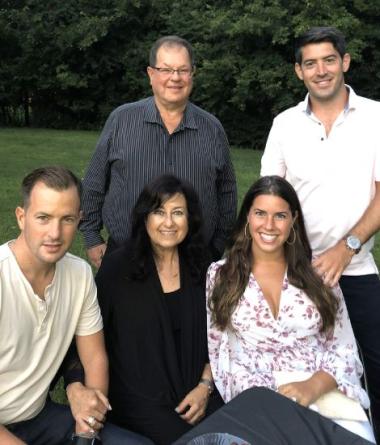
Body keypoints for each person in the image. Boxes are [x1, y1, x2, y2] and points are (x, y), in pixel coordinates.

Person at [261, 26, 380, 440]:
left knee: (373, 367)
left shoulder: (376, 117)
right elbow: (269, 197)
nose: (321, 70)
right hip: (296, 272)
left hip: (357, 267)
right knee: (302, 366)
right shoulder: (284, 124)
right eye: (310, 63)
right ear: (299, 71)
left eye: (329, 60)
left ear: (345, 62)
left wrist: (346, 250)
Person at [206, 176, 375, 443]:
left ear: (294, 219)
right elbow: (222, 356)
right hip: (258, 399)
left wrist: (312, 387)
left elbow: (344, 349)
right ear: (247, 217)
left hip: (325, 394)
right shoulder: (221, 275)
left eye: (280, 216)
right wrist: (266, 400)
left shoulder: (318, 273)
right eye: (260, 213)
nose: (269, 225)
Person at [0, 166, 153, 445]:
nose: (55, 233)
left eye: (67, 219)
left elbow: (94, 358)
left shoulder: (79, 274)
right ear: (21, 218)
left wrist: (87, 429)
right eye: (43, 218)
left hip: (39, 417)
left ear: (80, 220)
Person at [80, 35, 237, 268]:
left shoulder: (211, 128)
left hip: (194, 261)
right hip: (127, 257)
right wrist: (92, 238)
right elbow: (94, 183)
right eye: (166, 69)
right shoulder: (122, 120)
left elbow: (226, 191)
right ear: (151, 74)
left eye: (183, 70)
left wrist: (217, 245)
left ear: (192, 74)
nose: (175, 78)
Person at [95, 175, 223, 445]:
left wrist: (205, 386)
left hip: (199, 390)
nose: (168, 222)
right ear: (145, 218)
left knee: (234, 434)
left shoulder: (202, 263)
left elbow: (221, 333)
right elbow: (91, 334)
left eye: (178, 213)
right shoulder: (118, 268)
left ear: (190, 219)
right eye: (158, 212)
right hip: (140, 400)